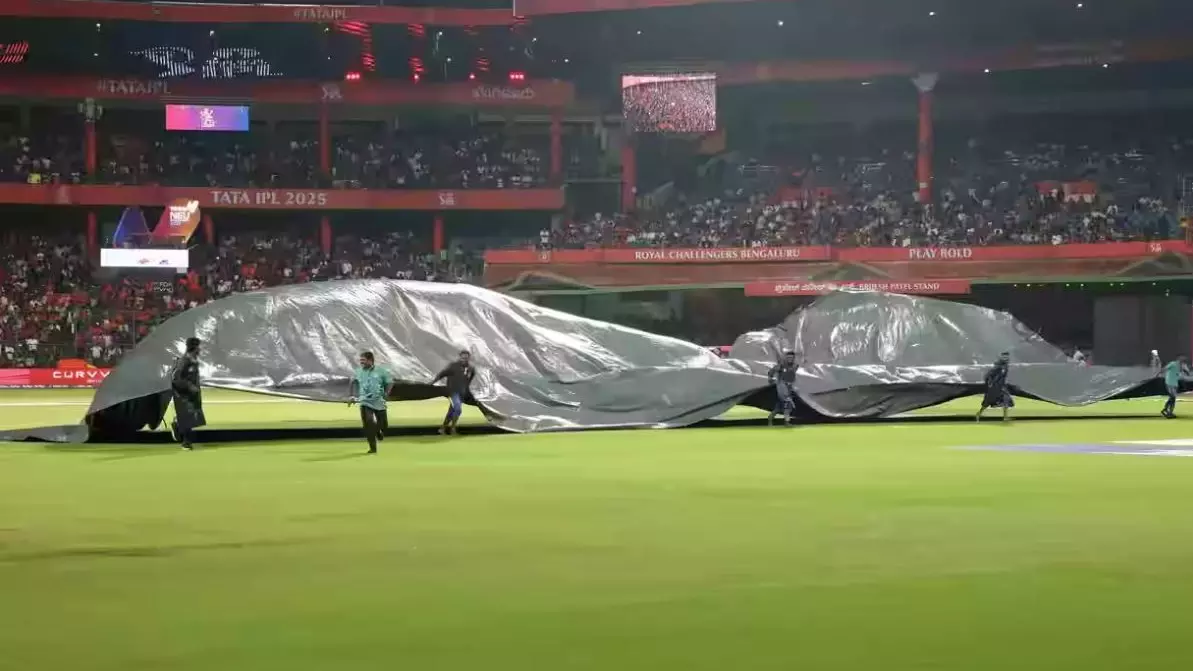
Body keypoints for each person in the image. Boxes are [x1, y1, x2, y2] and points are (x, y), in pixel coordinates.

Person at [348, 351, 394, 454]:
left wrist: (387, 393)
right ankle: (372, 448)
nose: (361, 362)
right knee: (368, 423)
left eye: (363, 360)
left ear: (370, 360)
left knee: (384, 424)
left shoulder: (381, 371)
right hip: (365, 401)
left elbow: (390, 382)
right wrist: (351, 396)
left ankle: (378, 431)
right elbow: (352, 382)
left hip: (378, 401)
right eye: (360, 360)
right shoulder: (358, 371)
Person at [170, 337, 204, 450]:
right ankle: (186, 442)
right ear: (194, 347)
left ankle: (177, 424)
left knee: (193, 417)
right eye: (199, 346)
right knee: (187, 417)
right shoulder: (184, 361)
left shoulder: (194, 361)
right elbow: (175, 378)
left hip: (192, 394)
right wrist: (189, 386)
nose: (201, 349)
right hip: (183, 395)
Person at [432, 350, 475, 435]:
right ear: (460, 357)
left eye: (466, 358)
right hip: (452, 392)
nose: (464, 359)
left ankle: (442, 428)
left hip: (461, 393)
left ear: (469, 358)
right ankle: (453, 428)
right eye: (463, 358)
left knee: (452, 411)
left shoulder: (471, 368)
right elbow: (442, 374)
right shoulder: (453, 366)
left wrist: (466, 388)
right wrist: (433, 382)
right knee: (458, 409)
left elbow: (469, 379)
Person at [976, 351, 1013, 422]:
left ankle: (1005, 417)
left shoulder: (1005, 365)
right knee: (987, 402)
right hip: (995, 387)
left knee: (1006, 400)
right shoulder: (998, 365)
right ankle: (978, 414)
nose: (1005, 358)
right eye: (1004, 356)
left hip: (1001, 386)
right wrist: (989, 383)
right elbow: (988, 375)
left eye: (1006, 356)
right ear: (1001, 357)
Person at [767, 350, 799, 426]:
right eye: (788, 357)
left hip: (789, 387)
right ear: (786, 358)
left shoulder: (795, 366)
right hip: (782, 385)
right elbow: (771, 371)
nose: (790, 359)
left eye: (791, 357)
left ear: (794, 358)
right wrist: (770, 378)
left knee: (779, 407)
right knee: (787, 402)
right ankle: (787, 422)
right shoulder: (782, 365)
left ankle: (770, 418)